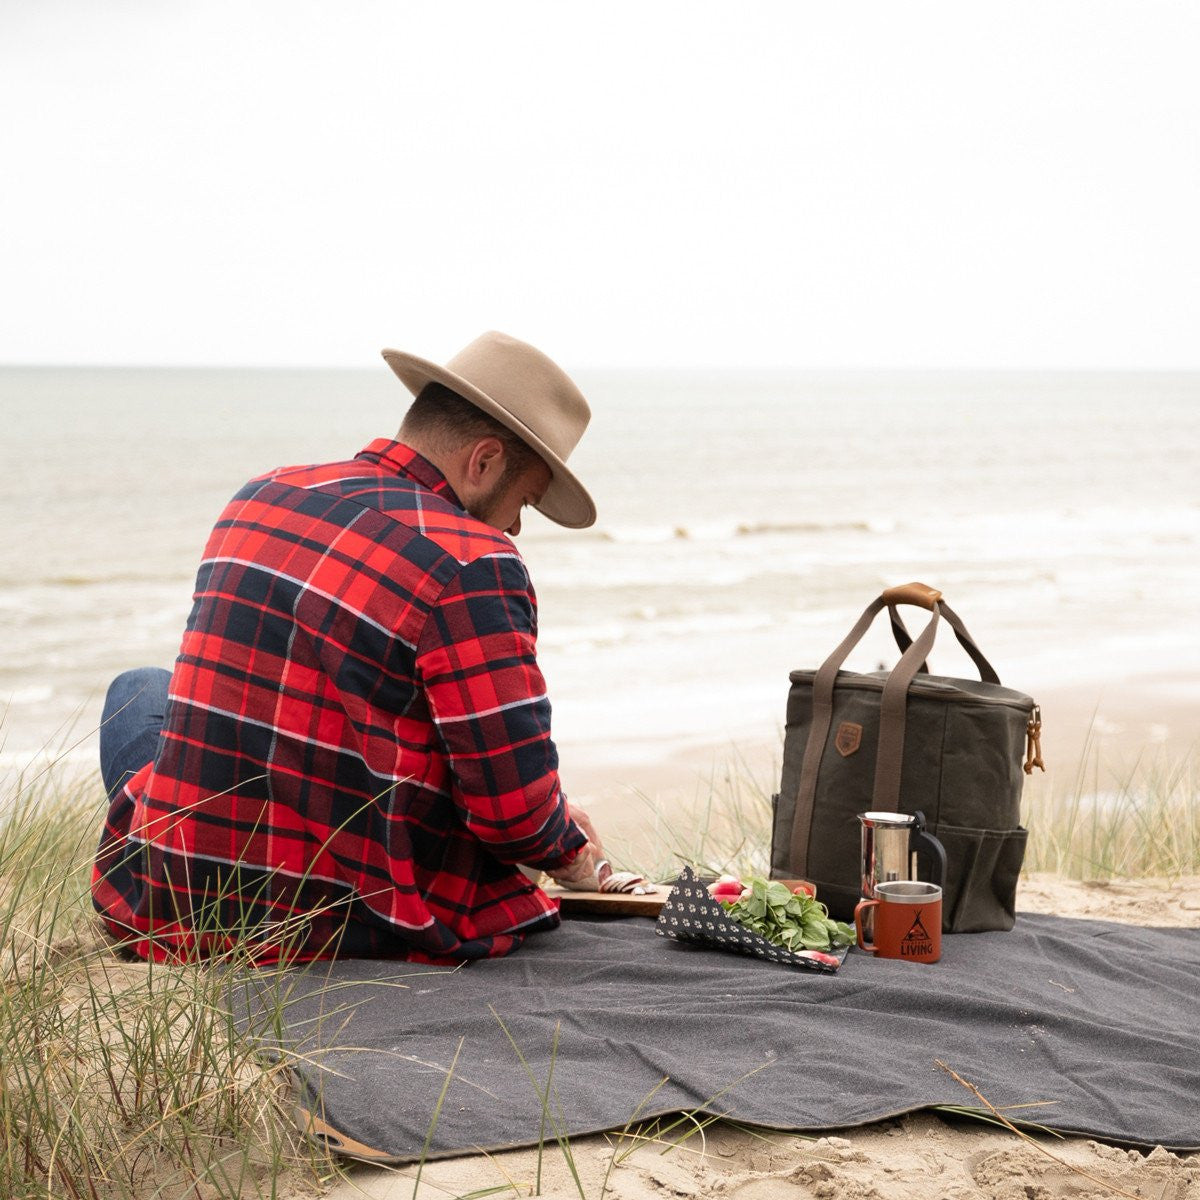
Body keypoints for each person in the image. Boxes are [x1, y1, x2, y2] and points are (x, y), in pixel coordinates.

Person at [92, 331, 616, 964]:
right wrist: (570, 850)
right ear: (484, 460)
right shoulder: (473, 561)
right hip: (332, 921)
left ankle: (180, 843)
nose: (515, 525)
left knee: (141, 689)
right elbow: (511, 811)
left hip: (170, 898)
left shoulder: (260, 495)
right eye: (524, 499)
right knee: (153, 690)